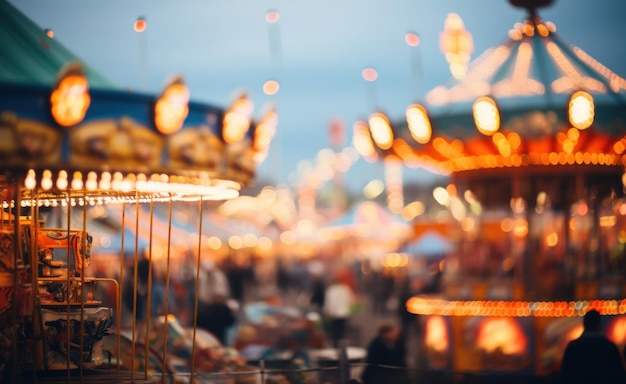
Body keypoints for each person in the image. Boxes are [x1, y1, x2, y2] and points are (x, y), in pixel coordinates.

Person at [560, 309, 624, 384]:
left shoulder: (573, 347)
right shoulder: (609, 347)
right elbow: (618, 375)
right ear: (599, 324)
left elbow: (566, 375)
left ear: (584, 324)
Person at [323, 275, 355, 347]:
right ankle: (342, 345)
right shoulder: (346, 288)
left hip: (334, 313)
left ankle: (336, 345)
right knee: (342, 330)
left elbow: (328, 302)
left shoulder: (330, 290)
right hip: (344, 312)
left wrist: (326, 311)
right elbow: (352, 300)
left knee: (335, 331)